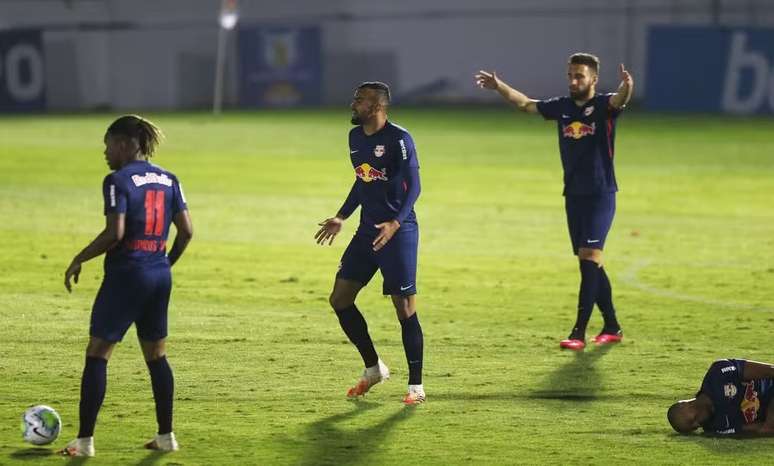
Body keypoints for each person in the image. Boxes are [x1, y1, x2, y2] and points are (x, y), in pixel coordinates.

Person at [475, 53, 633, 351]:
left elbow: (619, 101)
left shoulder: (602, 106)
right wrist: (499, 87)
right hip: (573, 194)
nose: (574, 81)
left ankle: (578, 333)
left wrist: (627, 86)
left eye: (580, 76)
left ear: (594, 79)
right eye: (571, 75)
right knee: (591, 263)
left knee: (589, 257)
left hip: (600, 193)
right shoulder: (561, 107)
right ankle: (612, 325)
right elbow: (525, 104)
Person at [60, 115, 193, 456]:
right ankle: (166, 437)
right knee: (157, 356)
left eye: (107, 146)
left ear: (123, 144)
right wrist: (164, 263)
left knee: (98, 354)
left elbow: (114, 233)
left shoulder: (116, 180)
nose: (105, 153)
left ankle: (84, 442)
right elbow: (187, 231)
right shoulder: (169, 178)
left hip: (126, 275)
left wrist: (80, 257)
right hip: (159, 276)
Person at [315, 81, 425, 404]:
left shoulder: (399, 139)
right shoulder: (354, 138)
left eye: (360, 100)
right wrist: (342, 216)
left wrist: (396, 222)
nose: (353, 104)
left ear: (377, 107)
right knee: (340, 298)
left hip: (398, 233)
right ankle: (373, 367)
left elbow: (415, 186)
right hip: (367, 233)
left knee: (404, 308)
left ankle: (415, 387)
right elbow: (362, 180)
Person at [668, 359, 774, 436]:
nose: (697, 425)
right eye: (694, 427)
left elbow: (770, 370)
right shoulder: (717, 428)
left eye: (692, 420)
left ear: (686, 404)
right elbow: (763, 429)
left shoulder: (718, 374)